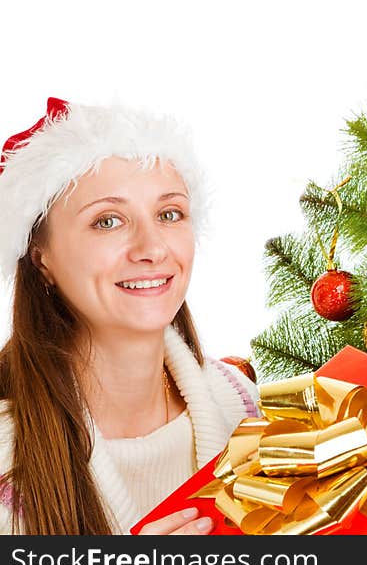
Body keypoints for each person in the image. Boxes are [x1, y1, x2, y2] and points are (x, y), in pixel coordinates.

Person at [0, 98, 260, 535]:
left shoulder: (240, 403)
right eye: (107, 221)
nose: (152, 248)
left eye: (169, 214)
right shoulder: (9, 459)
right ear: (40, 256)